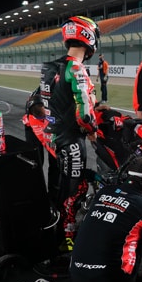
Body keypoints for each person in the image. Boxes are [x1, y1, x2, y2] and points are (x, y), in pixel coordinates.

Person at [35, 16, 100, 253]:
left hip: (53, 138)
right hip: (72, 140)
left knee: (59, 188)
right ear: (89, 38)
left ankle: (54, 233)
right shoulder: (76, 68)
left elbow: (46, 103)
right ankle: (68, 242)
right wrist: (92, 132)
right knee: (74, 192)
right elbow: (84, 116)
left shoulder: (49, 67)